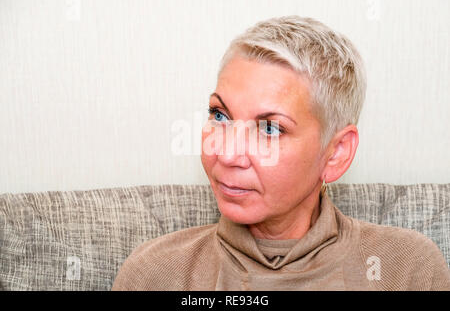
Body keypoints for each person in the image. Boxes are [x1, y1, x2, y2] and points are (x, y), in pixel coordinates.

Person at [112, 15, 450, 290]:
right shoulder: (153, 274)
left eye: (270, 128)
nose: (227, 154)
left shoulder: (407, 269)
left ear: (336, 154)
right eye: (220, 116)